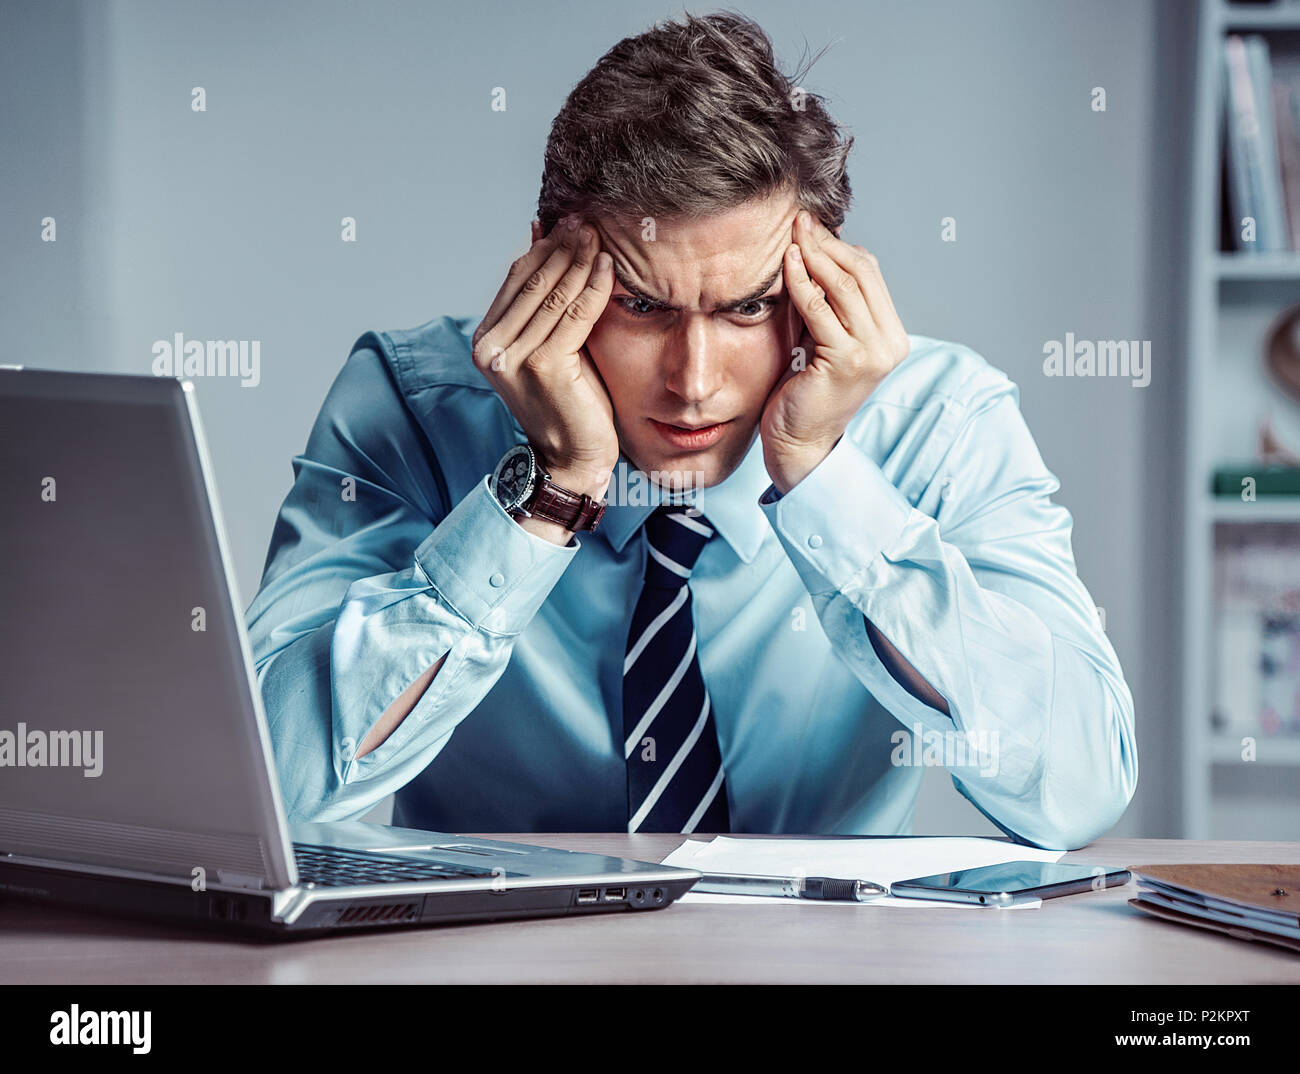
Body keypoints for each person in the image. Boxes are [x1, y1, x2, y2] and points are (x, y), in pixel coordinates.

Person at [245, 11, 1136, 848]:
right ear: (544, 263)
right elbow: (264, 795)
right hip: (489, 948)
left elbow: (1080, 789)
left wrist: (824, 479)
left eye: (750, 307)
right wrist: (546, 495)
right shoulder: (408, 407)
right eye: (641, 306)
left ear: (823, 279)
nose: (694, 382)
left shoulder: (941, 423)